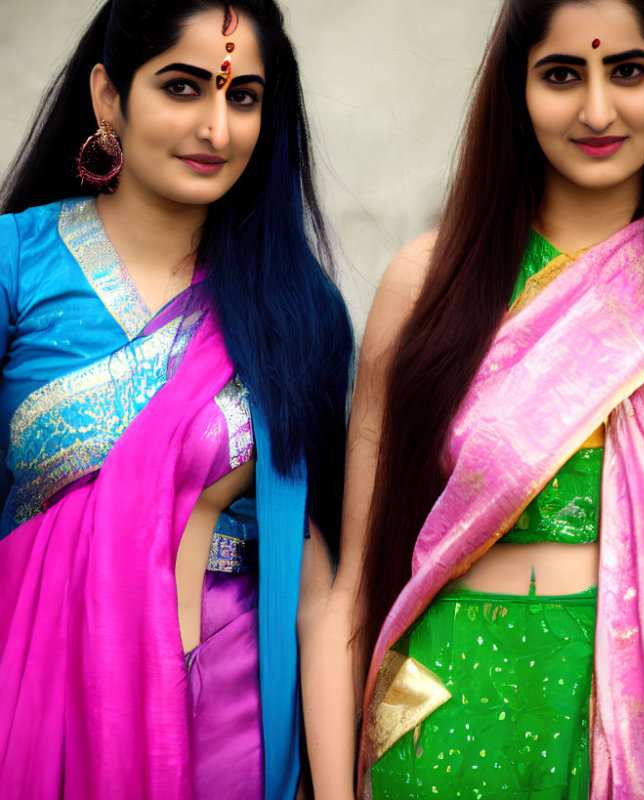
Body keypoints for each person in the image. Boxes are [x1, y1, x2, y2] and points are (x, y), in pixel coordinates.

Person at [319, 0, 644, 797]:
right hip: (449, 726)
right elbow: (352, 590)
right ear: (517, 92)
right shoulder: (432, 284)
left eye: (628, 70)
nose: (598, 110)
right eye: (562, 74)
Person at [0, 2, 352, 798]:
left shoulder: (298, 311)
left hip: (227, 718)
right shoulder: (16, 269)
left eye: (243, 96)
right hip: (33, 704)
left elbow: (318, 574)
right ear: (107, 96)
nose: (217, 130)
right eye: (184, 88)